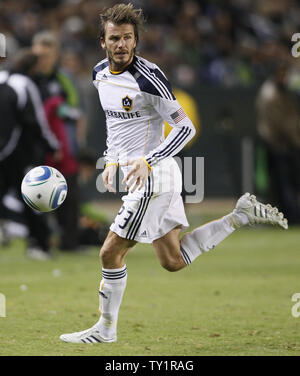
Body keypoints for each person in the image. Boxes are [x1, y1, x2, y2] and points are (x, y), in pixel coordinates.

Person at [60, 3, 288, 344]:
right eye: (114, 38)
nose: (121, 44)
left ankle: (105, 331)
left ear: (136, 41)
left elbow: (185, 129)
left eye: (127, 38)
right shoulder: (99, 75)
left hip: (154, 177)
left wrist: (148, 161)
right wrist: (110, 160)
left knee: (110, 253)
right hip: (148, 175)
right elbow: (113, 125)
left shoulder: (149, 78)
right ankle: (238, 217)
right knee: (172, 259)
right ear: (102, 41)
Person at [0, 50, 60, 260]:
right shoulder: (25, 84)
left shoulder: (4, 79)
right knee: (33, 197)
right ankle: (39, 245)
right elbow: (36, 121)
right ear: (34, 68)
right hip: (19, 153)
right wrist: (53, 146)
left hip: (5, 152)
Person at [31, 31, 85, 251]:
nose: (44, 60)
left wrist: (76, 142)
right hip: (36, 146)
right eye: (40, 55)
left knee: (70, 195)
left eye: (48, 54)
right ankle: (38, 243)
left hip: (64, 147)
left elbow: (77, 111)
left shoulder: (63, 78)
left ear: (55, 55)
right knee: (35, 194)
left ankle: (69, 243)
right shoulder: (28, 78)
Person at [256, 62, 300, 225]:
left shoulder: (281, 91)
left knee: (285, 184)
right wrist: (296, 141)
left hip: (282, 144)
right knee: (285, 184)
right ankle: (292, 217)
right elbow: (282, 125)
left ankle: (288, 215)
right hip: (280, 145)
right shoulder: (271, 94)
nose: (285, 78)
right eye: (282, 74)